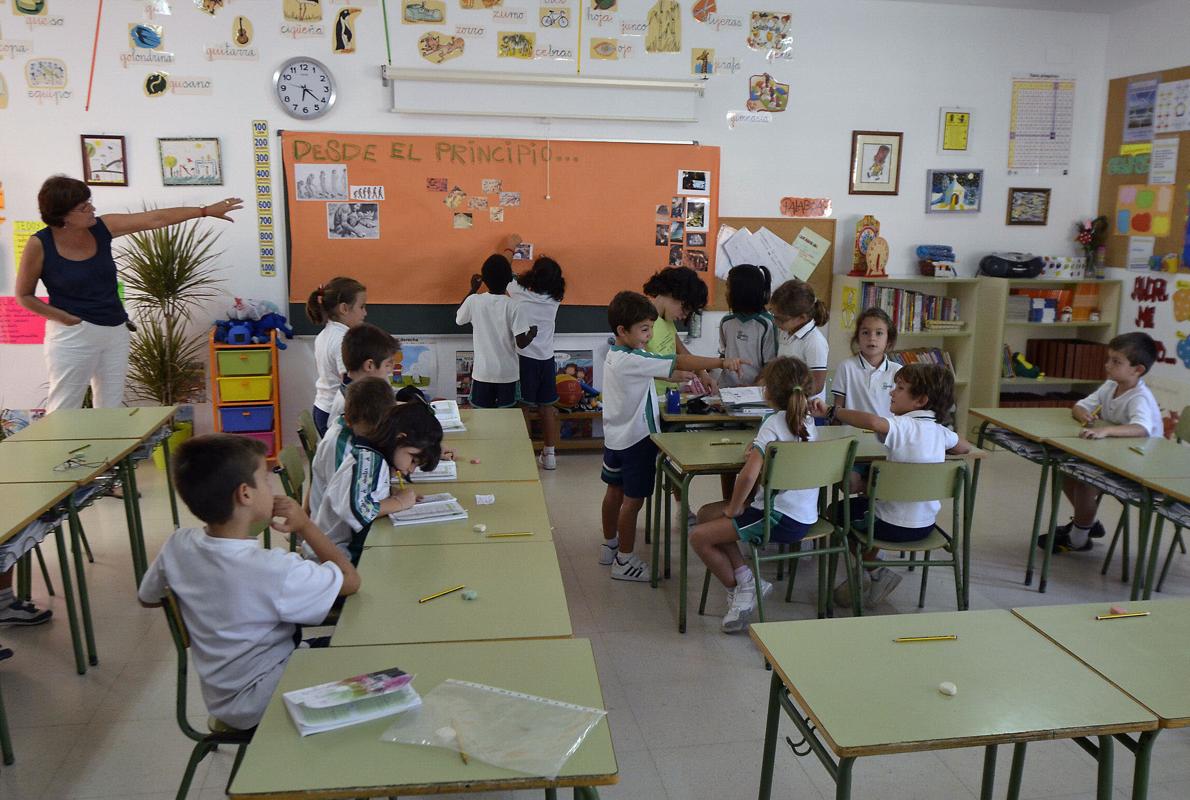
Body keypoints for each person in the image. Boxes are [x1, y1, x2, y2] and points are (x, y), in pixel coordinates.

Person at [137, 434, 360, 731]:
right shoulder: (272, 570)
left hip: (226, 697)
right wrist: (306, 525)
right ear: (245, 494)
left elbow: (147, 597)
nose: (271, 488)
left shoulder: (178, 544)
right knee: (365, 651)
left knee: (346, 646)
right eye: (266, 481)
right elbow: (350, 580)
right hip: (265, 696)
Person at [15, 175, 241, 411]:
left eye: (89, 202)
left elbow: (155, 219)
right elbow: (24, 295)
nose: (92, 208)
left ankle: (105, 448)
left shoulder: (102, 228)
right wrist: (66, 319)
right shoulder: (39, 244)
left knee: (110, 407)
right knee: (64, 407)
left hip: (115, 330)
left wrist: (205, 211)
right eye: (83, 207)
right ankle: (61, 449)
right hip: (73, 334)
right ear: (63, 216)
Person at [599, 291, 745, 581]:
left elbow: (658, 370)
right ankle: (624, 562)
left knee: (613, 492)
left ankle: (610, 547)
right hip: (637, 440)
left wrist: (676, 376)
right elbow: (676, 360)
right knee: (633, 501)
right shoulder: (634, 359)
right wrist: (722, 364)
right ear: (622, 330)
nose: (649, 334)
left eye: (651, 327)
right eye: (644, 329)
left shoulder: (618, 355)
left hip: (614, 438)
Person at [811, 363, 970, 609]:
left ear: (920, 400)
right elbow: (964, 448)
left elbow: (875, 422)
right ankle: (872, 568)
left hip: (889, 525)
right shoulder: (941, 432)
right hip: (925, 527)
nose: (892, 392)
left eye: (900, 388)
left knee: (836, 512)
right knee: (866, 498)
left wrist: (833, 410)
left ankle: (875, 570)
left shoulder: (902, 426)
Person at [690, 357, 820, 632]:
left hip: (777, 517)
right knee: (705, 514)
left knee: (699, 537)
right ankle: (745, 576)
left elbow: (748, 476)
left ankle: (743, 589)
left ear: (768, 392)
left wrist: (735, 508)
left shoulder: (773, 423)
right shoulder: (806, 420)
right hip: (803, 513)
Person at [1040, 332, 1163, 553]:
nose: (1108, 365)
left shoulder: (1139, 397)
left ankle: (1078, 538)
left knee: (1086, 479)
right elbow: (1080, 405)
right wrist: (1083, 415)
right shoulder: (1110, 386)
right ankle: (1086, 522)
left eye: (1116, 362)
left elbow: (1141, 428)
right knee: (1064, 471)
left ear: (1138, 370)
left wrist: (1106, 430)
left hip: (1140, 465)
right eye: (1109, 359)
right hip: (1113, 456)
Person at [313, 402, 443, 564]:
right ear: (399, 438)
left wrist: (391, 493)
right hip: (332, 557)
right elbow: (357, 510)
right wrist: (399, 502)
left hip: (342, 551)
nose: (411, 469)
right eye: (413, 459)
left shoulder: (376, 458)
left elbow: (366, 492)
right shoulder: (368, 459)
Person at [830, 308, 901, 491]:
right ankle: (871, 494)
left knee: (895, 480)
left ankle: (874, 500)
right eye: (865, 332)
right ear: (857, 338)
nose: (872, 338)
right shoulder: (847, 367)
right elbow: (837, 410)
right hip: (854, 444)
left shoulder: (897, 370)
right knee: (848, 484)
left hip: (887, 444)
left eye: (879, 333)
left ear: (889, 339)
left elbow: (903, 412)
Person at [509, 251, 565, 469]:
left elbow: (507, 277)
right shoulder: (556, 300)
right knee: (546, 407)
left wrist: (511, 249)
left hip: (525, 359)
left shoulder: (518, 293)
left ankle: (524, 452)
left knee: (523, 406)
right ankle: (550, 454)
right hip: (546, 359)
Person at [309, 377, 396, 515]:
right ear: (349, 420)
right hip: (332, 530)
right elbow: (348, 505)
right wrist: (398, 503)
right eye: (369, 432)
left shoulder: (357, 429)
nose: (375, 438)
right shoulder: (339, 444)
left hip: (346, 519)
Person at [456, 249, 520, 409]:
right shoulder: (514, 305)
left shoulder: (474, 300)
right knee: (507, 419)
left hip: (483, 373)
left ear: (484, 279)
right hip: (508, 374)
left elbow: (459, 318)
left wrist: (473, 289)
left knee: (482, 419)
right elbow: (521, 341)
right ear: (509, 280)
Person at [306, 276, 368, 438]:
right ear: (344, 308)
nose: (365, 313)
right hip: (335, 413)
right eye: (362, 307)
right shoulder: (344, 339)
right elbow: (348, 381)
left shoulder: (325, 333)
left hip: (323, 407)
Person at [642, 266, 712, 394]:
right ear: (672, 294)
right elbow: (642, 365)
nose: (685, 316)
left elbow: (683, 354)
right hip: (651, 397)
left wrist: (703, 373)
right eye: (685, 309)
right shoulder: (643, 322)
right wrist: (672, 374)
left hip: (668, 397)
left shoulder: (666, 321)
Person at [325, 323, 398, 424]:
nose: (390, 370)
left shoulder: (357, 391)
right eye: (387, 365)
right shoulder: (353, 404)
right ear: (369, 366)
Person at [717, 264, 777, 389]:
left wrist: (752, 388)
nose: (725, 293)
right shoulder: (726, 321)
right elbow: (724, 355)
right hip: (726, 389)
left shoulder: (767, 324)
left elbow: (770, 366)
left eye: (728, 287)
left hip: (755, 392)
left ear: (741, 291)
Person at [770, 279, 829, 402]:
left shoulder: (815, 342)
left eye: (781, 319)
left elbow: (817, 385)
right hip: (785, 403)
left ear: (802, 318)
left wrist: (787, 394)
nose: (775, 322)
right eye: (773, 315)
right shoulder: (785, 331)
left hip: (807, 409)